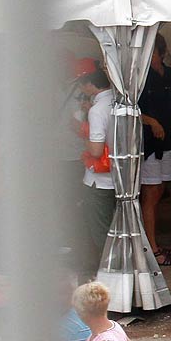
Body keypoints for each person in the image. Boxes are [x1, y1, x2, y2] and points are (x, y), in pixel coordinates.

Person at [140, 34, 171, 267]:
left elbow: (168, 102)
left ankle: (152, 242)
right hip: (148, 141)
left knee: (161, 188)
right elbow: (132, 108)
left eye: (153, 52)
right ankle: (151, 247)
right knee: (151, 192)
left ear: (161, 53)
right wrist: (152, 122)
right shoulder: (140, 77)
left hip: (167, 139)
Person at [79, 65, 118, 269]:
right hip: (122, 177)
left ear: (91, 85)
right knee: (118, 226)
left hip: (99, 179)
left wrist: (81, 136)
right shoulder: (122, 101)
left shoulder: (97, 110)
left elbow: (95, 150)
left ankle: (107, 271)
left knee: (100, 229)